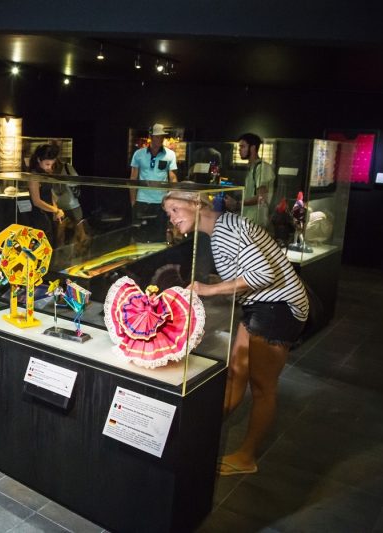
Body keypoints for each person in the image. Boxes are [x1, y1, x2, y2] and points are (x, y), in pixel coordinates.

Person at [162, 185, 308, 476]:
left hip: (278, 308)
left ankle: (246, 457)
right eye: (168, 214)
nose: (172, 219)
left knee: (263, 387)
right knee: (235, 372)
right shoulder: (221, 229)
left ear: (197, 203)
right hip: (261, 306)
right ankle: (202, 439)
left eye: (175, 210)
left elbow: (263, 274)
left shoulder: (228, 229)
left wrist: (209, 289)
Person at [130, 123, 178, 242]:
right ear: (151, 137)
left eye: (162, 137)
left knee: (159, 234)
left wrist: (172, 199)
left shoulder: (170, 154)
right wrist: (133, 201)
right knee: (141, 234)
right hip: (142, 200)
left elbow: (172, 178)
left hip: (161, 201)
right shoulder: (139, 154)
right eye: (157, 136)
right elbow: (133, 178)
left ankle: (159, 259)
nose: (160, 139)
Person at [230, 133, 275, 229]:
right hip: (248, 221)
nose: (239, 149)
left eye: (243, 146)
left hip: (256, 222)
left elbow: (261, 197)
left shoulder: (262, 168)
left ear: (253, 148)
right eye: (239, 147)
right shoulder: (252, 168)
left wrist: (237, 204)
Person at [27, 144, 64, 243]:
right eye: (47, 164)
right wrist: (55, 210)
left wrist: (55, 209)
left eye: (52, 164)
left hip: (48, 213)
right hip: (39, 216)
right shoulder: (34, 176)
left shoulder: (45, 173)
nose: (50, 167)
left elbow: (49, 193)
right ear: (39, 160)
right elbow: (36, 201)